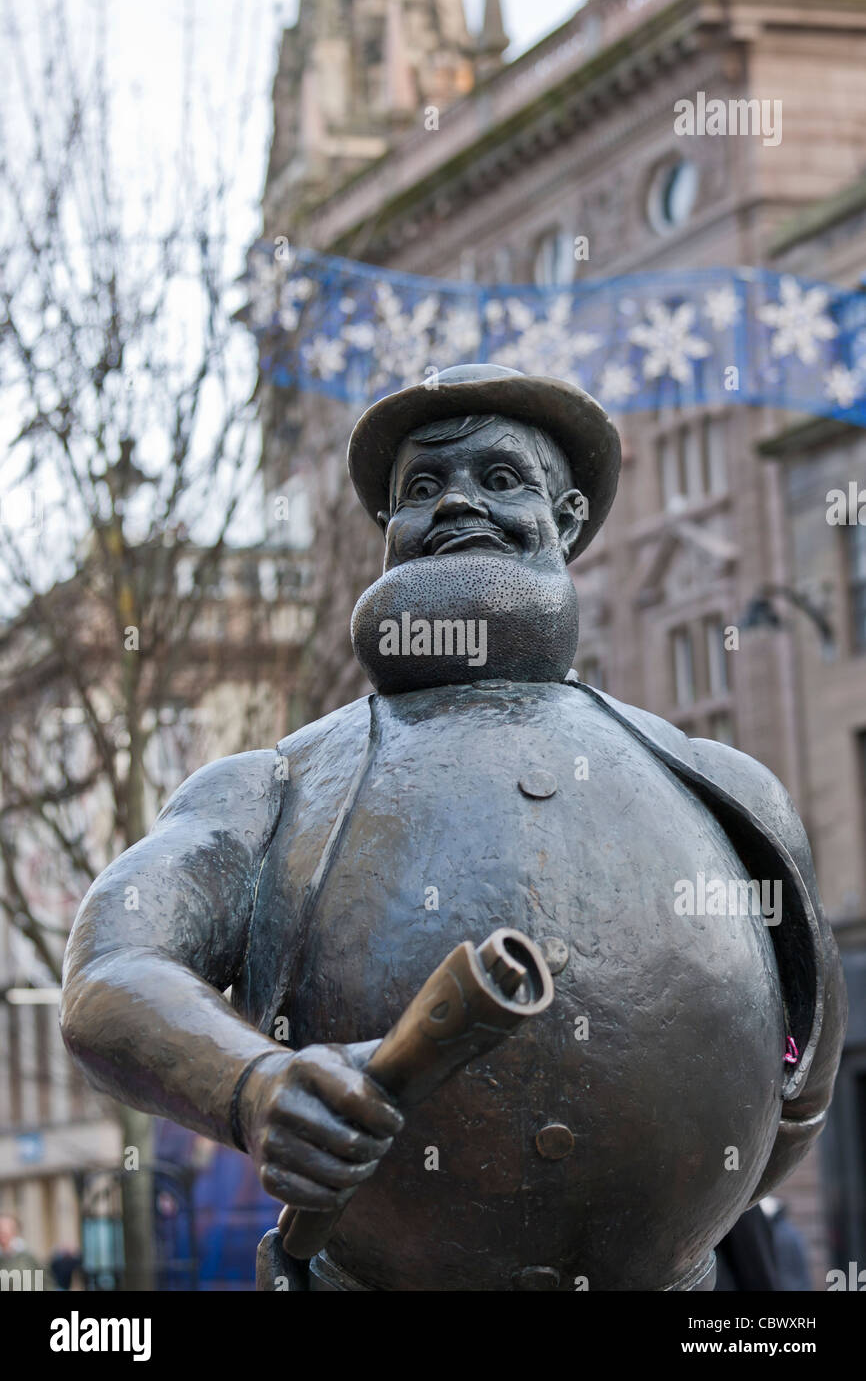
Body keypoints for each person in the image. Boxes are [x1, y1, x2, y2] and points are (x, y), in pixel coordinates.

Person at [61, 364, 846, 1292]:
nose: (457, 502)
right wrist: (251, 1085)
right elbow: (110, 971)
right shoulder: (275, 784)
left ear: (567, 516)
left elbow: (800, 1093)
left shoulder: (723, 787)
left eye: (500, 478)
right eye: (421, 489)